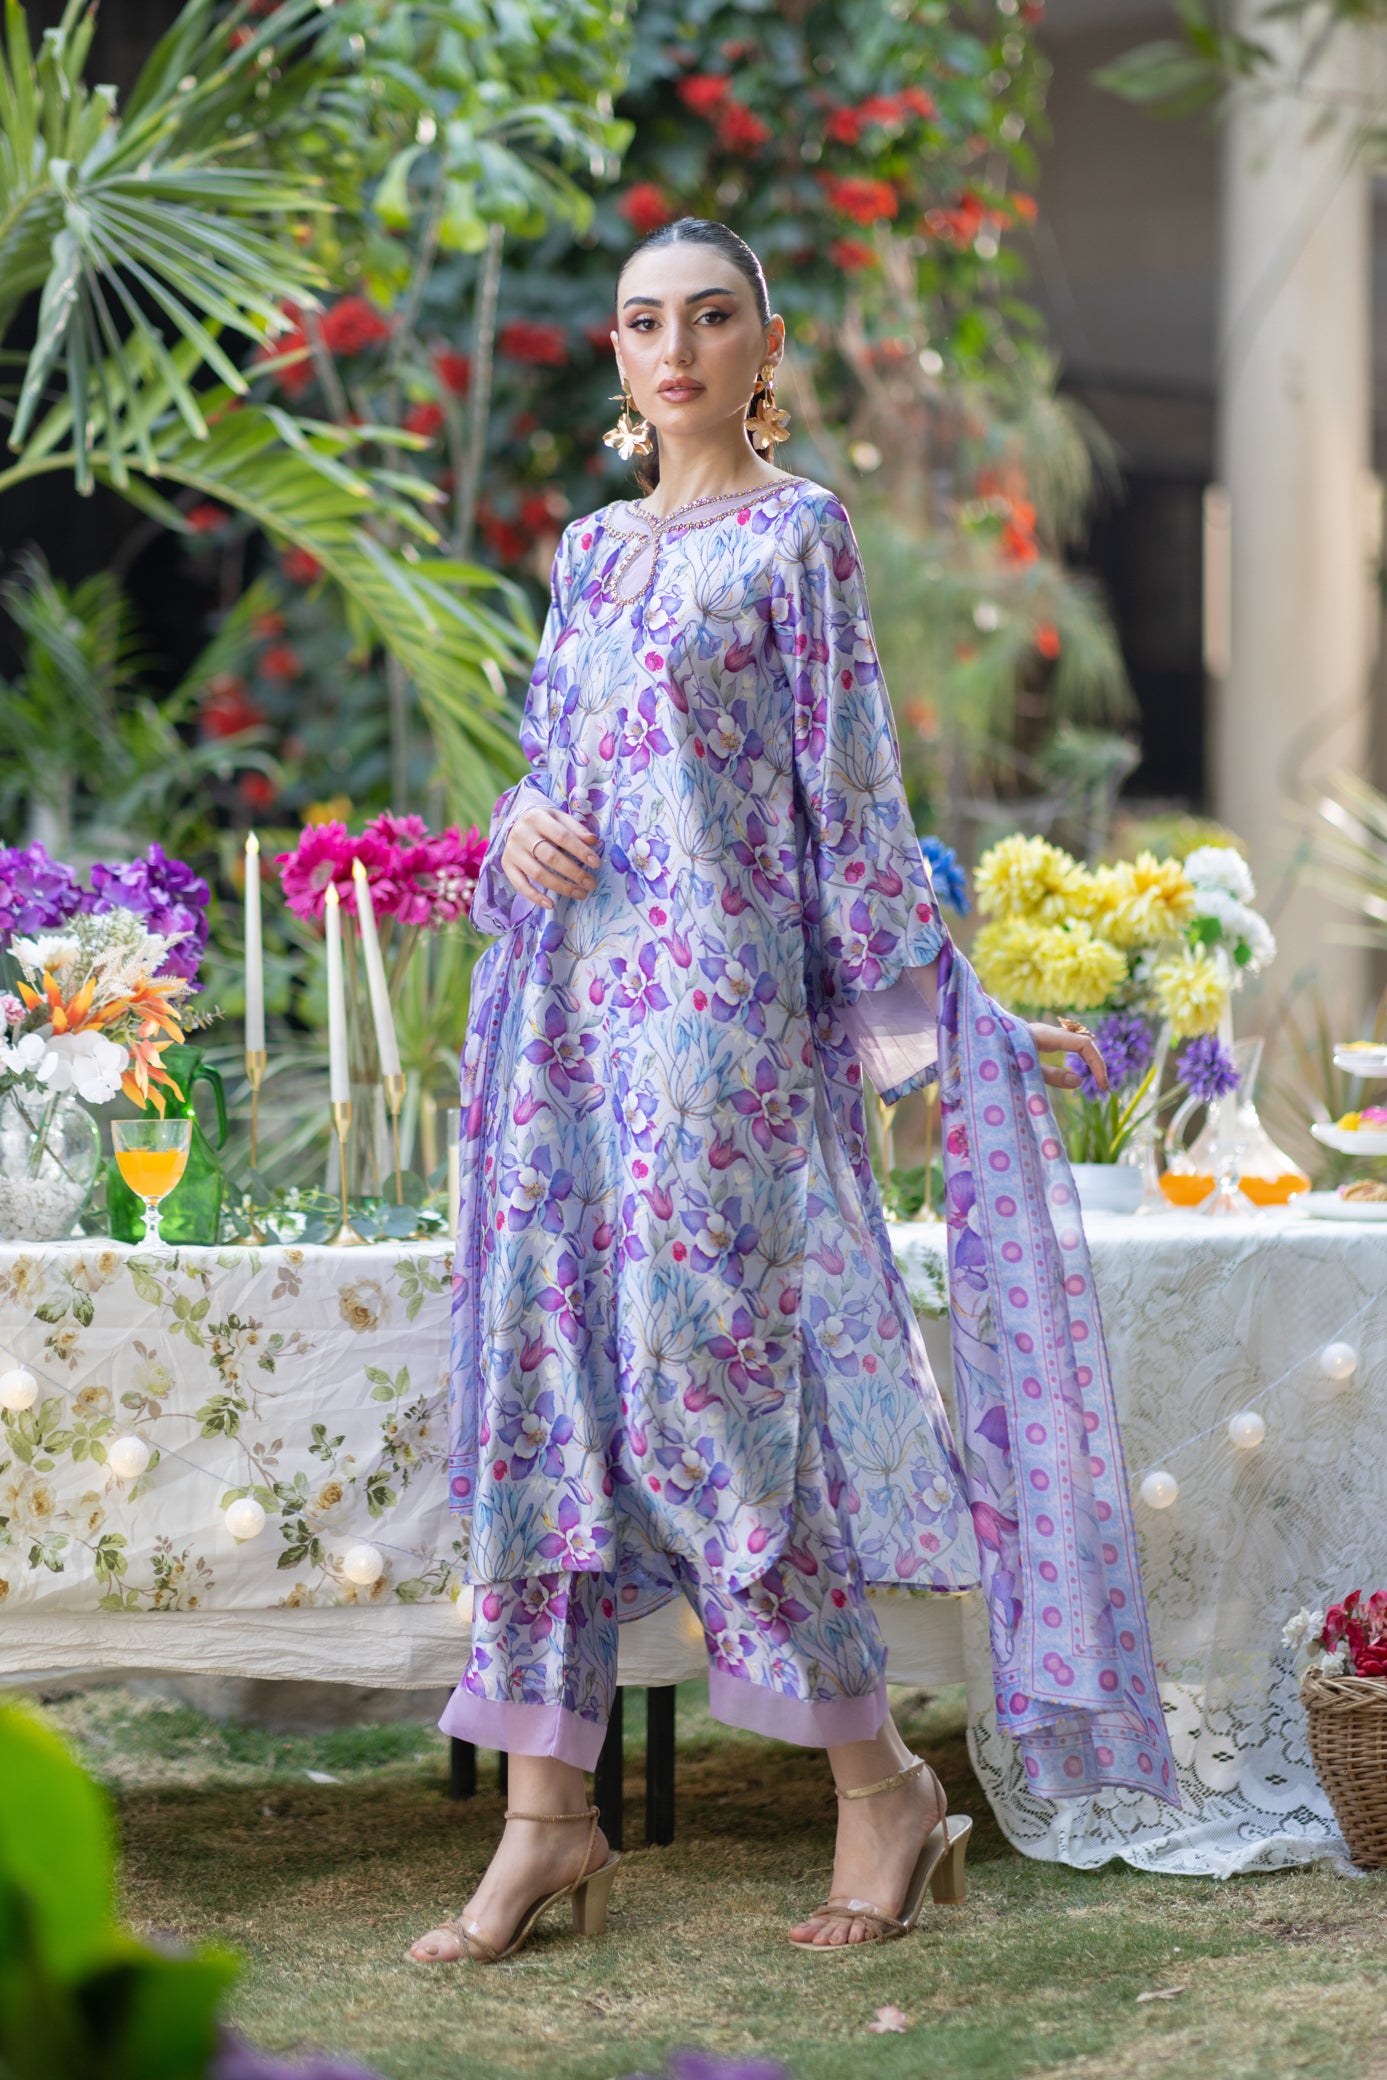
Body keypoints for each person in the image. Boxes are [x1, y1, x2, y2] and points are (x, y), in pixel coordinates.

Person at [411, 219, 1176, 1966]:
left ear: (767, 347)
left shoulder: (798, 535)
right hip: (564, 1023)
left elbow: (850, 788)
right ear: (617, 357)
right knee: (549, 1379)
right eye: (644, 323)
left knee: (716, 1388)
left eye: (711, 318)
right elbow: (557, 765)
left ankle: (879, 1789)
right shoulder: (589, 552)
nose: (676, 348)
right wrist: (513, 832)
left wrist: (932, 1030)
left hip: (719, 1030)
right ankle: (545, 1820)